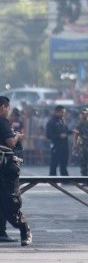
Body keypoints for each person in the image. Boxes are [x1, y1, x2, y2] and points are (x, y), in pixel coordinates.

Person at [0, 96, 32, 246]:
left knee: (9, 203)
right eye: (7, 108)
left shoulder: (4, 122)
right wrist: (18, 136)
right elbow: (11, 142)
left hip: (5, 168)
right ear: (3, 107)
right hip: (5, 168)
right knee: (6, 202)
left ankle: (24, 229)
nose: (8, 110)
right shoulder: (3, 121)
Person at [46, 105, 74, 176]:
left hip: (64, 145)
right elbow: (48, 135)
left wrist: (71, 131)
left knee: (64, 163)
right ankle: (52, 179)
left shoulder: (62, 120)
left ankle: (65, 179)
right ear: (56, 112)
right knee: (54, 163)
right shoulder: (51, 122)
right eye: (62, 112)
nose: (63, 114)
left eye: (64, 112)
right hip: (56, 145)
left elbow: (66, 131)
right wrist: (59, 136)